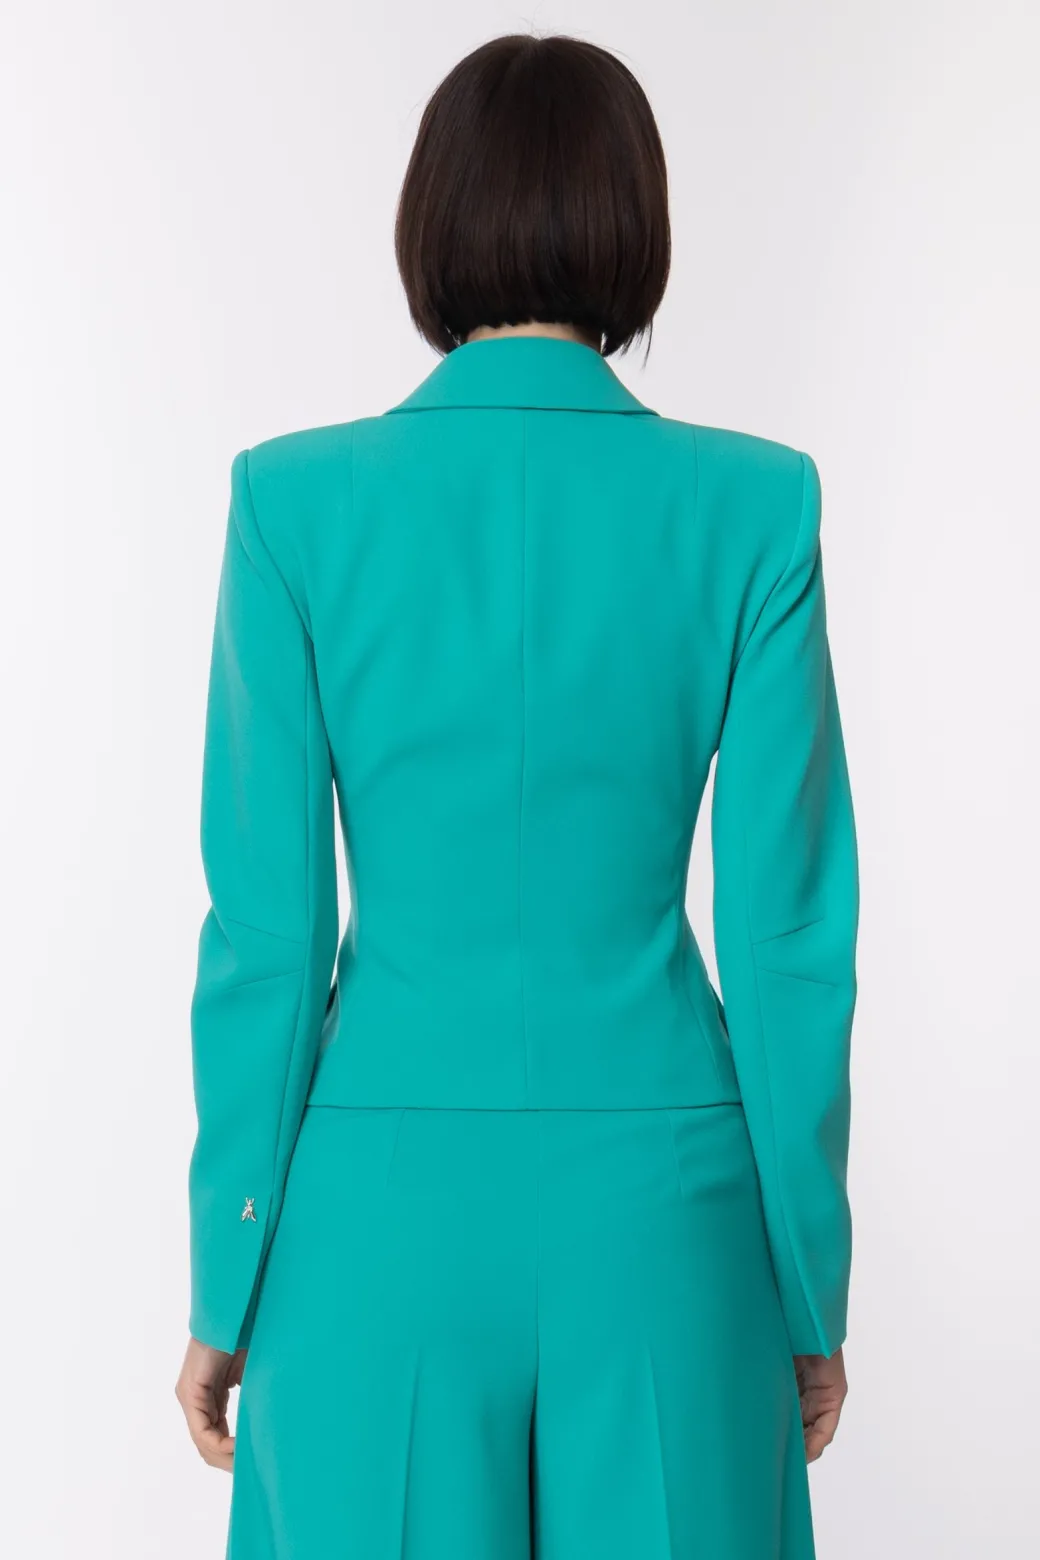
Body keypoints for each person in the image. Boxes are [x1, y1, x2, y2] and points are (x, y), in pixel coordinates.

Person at [175, 31, 858, 1560]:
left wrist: (229, 1279)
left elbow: (268, 941)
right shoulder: (756, 508)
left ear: (432, 223)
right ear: (636, 223)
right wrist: (807, 1287)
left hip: (373, 1233)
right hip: (668, 1228)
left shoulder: (293, 505)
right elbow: (789, 941)